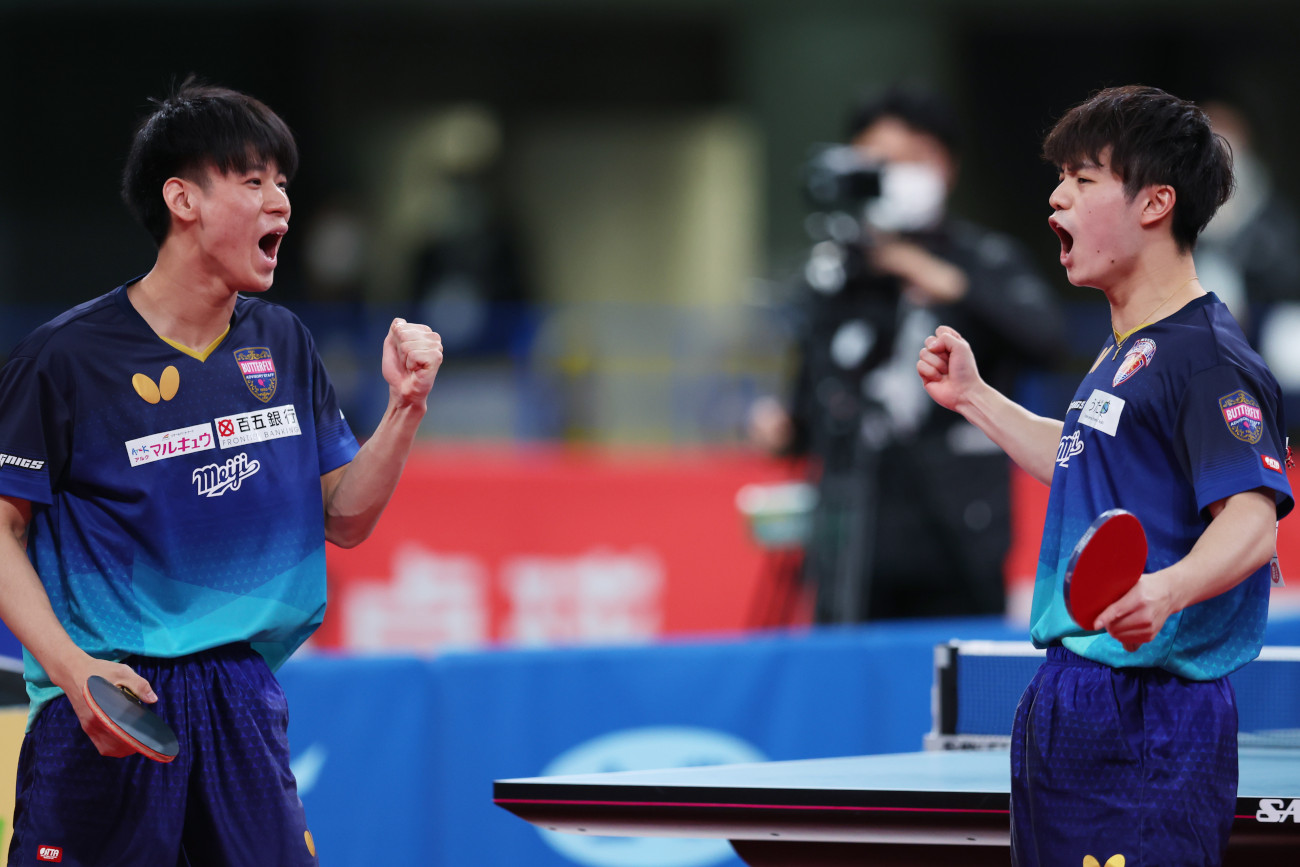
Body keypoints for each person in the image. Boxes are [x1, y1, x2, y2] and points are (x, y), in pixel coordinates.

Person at [0, 79, 442, 866]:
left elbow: (343, 517)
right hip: (112, 700)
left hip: (240, 699)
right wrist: (74, 674)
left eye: (282, 182)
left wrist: (405, 408)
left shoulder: (282, 341)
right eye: (252, 180)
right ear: (183, 200)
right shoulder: (64, 362)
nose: (280, 202)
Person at [917, 84, 1293, 866]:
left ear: (1156, 202)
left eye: (1084, 179)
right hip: (1071, 694)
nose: (1056, 196)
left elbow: (1253, 521)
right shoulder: (1125, 352)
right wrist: (976, 400)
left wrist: (1167, 590)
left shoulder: (1207, 360)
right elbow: (1081, 458)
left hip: (1150, 710)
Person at [750, 85, 1063, 623]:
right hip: (852, 540)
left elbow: (1048, 340)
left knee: (958, 689)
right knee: (846, 685)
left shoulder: (981, 259)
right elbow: (811, 403)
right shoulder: (839, 273)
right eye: (871, 163)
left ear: (942, 165)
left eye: (903, 161)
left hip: (961, 534)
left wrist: (944, 281)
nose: (887, 176)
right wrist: (780, 426)